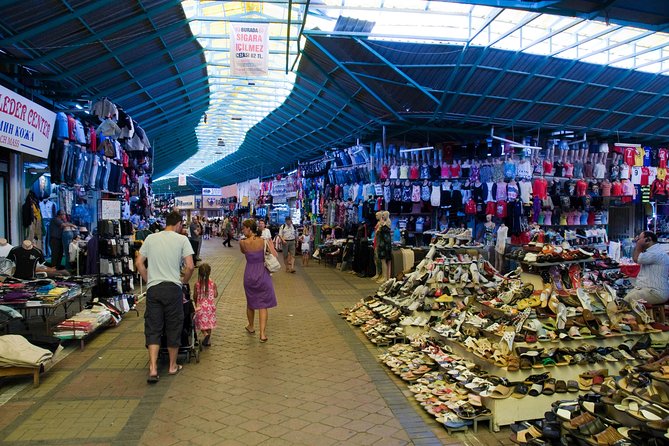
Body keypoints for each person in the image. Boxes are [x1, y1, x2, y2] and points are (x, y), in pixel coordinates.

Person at [135, 211, 195, 383]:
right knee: (173, 326)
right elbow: (190, 266)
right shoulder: (182, 240)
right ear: (177, 224)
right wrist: (183, 282)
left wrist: (149, 279)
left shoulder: (151, 238)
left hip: (154, 289)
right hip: (173, 289)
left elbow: (139, 262)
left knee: (153, 326)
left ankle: (153, 368)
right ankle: (172, 366)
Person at [240, 219, 278, 342]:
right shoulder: (263, 241)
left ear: (249, 229)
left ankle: (251, 326)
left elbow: (244, 252)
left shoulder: (243, 243)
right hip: (262, 273)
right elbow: (273, 254)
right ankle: (262, 334)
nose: (243, 230)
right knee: (263, 304)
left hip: (249, 274)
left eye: (244, 228)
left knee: (250, 302)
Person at [626, 231, 669, 305]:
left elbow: (636, 258)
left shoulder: (654, 253)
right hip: (649, 289)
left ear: (648, 240)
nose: (637, 240)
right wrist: (640, 243)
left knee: (626, 302)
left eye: (639, 239)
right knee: (625, 298)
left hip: (655, 292)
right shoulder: (655, 250)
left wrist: (638, 245)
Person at [193, 263, 218, 347]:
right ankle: (208, 341)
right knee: (209, 324)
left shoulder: (197, 284)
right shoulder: (212, 283)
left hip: (201, 308)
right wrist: (215, 289)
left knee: (201, 324)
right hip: (211, 308)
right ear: (209, 273)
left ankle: (205, 334)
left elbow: (195, 296)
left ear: (199, 273)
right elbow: (215, 295)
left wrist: (196, 304)